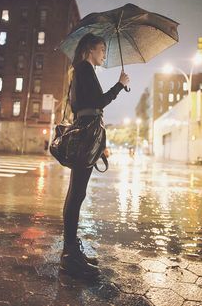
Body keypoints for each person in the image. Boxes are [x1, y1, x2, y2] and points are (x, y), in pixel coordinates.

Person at [60, 33, 129, 278]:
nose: (103, 54)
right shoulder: (84, 68)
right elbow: (98, 101)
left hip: (86, 134)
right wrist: (120, 85)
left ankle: (72, 251)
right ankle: (69, 256)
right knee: (76, 193)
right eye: (101, 49)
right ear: (90, 49)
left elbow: (89, 103)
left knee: (77, 193)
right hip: (86, 136)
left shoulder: (83, 70)